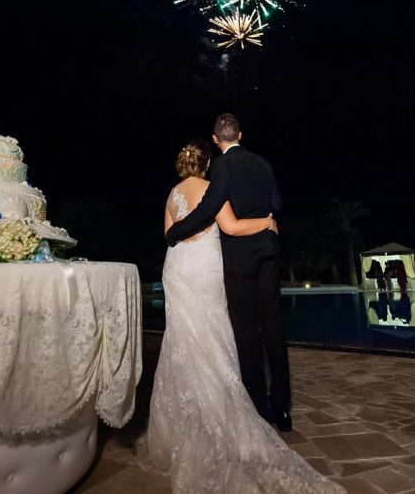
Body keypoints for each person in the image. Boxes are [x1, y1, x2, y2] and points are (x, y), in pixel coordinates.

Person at [140, 138, 343, 493]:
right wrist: (266, 222)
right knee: (215, 334)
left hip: (176, 270)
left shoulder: (172, 194)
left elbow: (169, 236)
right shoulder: (210, 187)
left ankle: (183, 425)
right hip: (204, 267)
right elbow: (232, 227)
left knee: (183, 339)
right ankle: (225, 411)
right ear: (207, 165)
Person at [164, 113, 291, 430]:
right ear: (241, 135)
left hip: (241, 257)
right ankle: (283, 411)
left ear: (218, 140)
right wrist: (266, 220)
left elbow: (209, 208)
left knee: (246, 330)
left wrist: (175, 233)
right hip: (269, 250)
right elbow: (277, 202)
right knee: (273, 328)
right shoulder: (263, 164)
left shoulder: (222, 166)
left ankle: (259, 411)